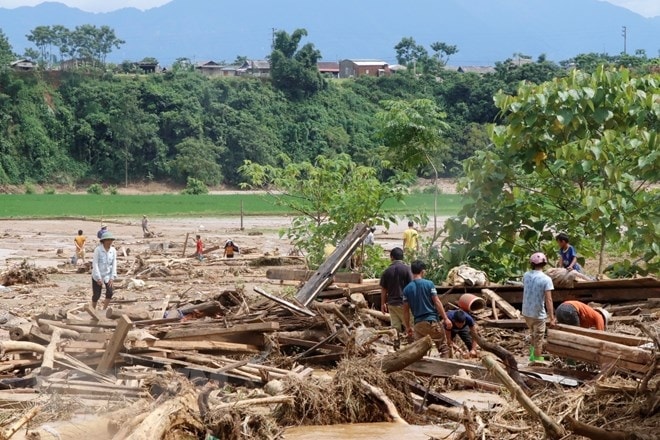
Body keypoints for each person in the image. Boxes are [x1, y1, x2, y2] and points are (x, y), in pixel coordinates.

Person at [402, 260, 452, 356]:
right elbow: (437, 302)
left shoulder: (407, 289)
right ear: (422, 271)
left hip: (418, 325)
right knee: (443, 347)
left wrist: (408, 327)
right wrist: (446, 318)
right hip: (431, 321)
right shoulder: (429, 284)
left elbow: (405, 311)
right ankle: (446, 368)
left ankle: (421, 370)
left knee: (420, 352)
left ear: (412, 272)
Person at [522, 252, 556, 362]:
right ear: (544, 264)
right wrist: (551, 317)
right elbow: (548, 300)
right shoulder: (546, 279)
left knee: (533, 334)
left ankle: (532, 356)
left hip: (526, 311)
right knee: (538, 338)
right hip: (538, 313)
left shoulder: (526, 275)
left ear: (531, 263)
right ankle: (536, 359)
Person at [379, 247, 413, 333]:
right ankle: (412, 345)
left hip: (391, 304)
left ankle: (396, 344)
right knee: (410, 326)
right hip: (404, 304)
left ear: (392, 257)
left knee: (395, 329)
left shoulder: (387, 271)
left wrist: (383, 304)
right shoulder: (407, 269)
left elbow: (383, 289)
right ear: (402, 257)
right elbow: (412, 286)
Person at [91, 231, 117, 310]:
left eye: (111, 240)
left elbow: (114, 263)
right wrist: (98, 278)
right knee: (97, 295)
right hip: (97, 275)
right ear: (103, 241)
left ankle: (104, 309)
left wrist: (112, 277)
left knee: (110, 292)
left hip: (108, 275)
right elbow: (95, 264)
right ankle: (93, 310)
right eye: (108, 240)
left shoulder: (113, 250)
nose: (109, 242)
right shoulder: (98, 250)